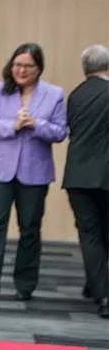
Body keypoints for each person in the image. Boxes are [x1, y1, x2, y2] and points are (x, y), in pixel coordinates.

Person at [0, 43, 67, 302]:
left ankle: (25, 286)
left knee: (30, 229)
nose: (21, 70)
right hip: (0, 171)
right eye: (17, 64)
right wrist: (12, 125)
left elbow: (60, 132)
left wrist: (37, 125)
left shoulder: (54, 94)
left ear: (39, 69)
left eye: (28, 66)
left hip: (35, 173)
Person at [62, 45, 109, 319]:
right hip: (106, 175)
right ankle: (101, 290)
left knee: (90, 234)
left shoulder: (76, 95)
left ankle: (97, 289)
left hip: (77, 176)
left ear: (85, 69)